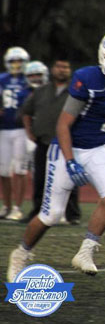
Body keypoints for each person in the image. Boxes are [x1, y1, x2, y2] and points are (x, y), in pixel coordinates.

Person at [7, 31, 105, 282]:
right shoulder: (87, 79)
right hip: (66, 147)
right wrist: (70, 161)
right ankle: (20, 254)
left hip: (97, 147)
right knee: (51, 215)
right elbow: (63, 125)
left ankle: (86, 251)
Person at [21, 59, 81, 224]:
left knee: (70, 178)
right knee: (40, 179)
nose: (62, 70)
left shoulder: (76, 91)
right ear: (52, 69)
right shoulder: (41, 91)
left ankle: (72, 215)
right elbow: (26, 112)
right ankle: (37, 212)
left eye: (66, 67)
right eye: (59, 66)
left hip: (67, 142)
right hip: (44, 141)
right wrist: (29, 132)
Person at [0, 47, 32, 220]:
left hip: (21, 129)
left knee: (20, 169)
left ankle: (17, 207)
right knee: (3, 170)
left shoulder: (29, 80)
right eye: (13, 61)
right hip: (3, 129)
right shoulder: (2, 79)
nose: (16, 65)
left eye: (19, 61)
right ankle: (6, 206)